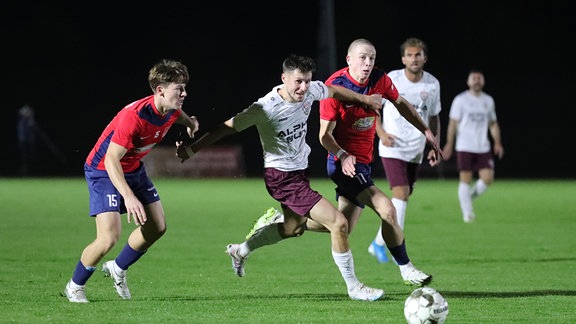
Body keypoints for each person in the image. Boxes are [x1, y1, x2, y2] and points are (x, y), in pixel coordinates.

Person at [176, 54, 386, 301]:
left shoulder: (310, 92)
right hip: (282, 177)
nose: (303, 88)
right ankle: (354, 287)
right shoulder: (265, 107)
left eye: (307, 81)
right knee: (339, 224)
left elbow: (333, 90)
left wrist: (364, 98)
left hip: (299, 172)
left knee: (292, 228)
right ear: (284, 78)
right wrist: (191, 150)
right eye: (298, 82)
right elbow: (225, 128)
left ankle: (240, 250)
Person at [248, 39, 442, 287]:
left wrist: (426, 132)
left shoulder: (380, 79)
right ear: (349, 60)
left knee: (342, 226)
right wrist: (343, 155)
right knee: (388, 210)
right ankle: (406, 269)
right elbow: (324, 136)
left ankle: (286, 222)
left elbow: (401, 104)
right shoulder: (335, 88)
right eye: (362, 57)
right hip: (343, 164)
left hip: (363, 162)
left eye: (371, 58)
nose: (368, 63)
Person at [63, 59, 200, 303]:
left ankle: (118, 267)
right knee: (109, 237)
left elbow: (180, 115)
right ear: (160, 90)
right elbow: (111, 160)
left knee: (157, 227)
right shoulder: (133, 117)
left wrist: (191, 125)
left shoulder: (170, 109)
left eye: (184, 87)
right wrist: (128, 196)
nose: (184, 93)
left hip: (133, 168)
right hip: (104, 169)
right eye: (179, 88)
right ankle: (75, 285)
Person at [368, 37, 442, 263]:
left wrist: (433, 144)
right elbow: (373, 106)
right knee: (400, 194)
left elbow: (434, 116)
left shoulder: (432, 84)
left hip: (416, 148)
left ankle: (378, 242)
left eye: (418, 54)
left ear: (425, 58)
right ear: (403, 59)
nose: (414, 58)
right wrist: (380, 133)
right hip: (392, 146)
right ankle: (395, 243)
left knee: (405, 196)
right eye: (409, 55)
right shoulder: (393, 78)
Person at [442, 69, 504, 222]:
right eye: (474, 78)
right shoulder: (460, 100)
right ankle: (468, 213)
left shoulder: (488, 100)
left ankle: (466, 198)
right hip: (464, 145)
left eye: (479, 78)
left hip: (483, 146)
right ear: (468, 82)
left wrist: (497, 142)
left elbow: (493, 124)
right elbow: (453, 123)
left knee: (488, 178)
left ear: (483, 81)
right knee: (466, 178)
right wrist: (450, 143)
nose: (476, 80)